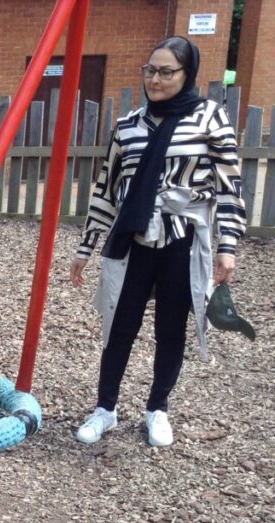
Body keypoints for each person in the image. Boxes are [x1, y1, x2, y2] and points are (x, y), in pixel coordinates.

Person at [70, 36, 246, 448]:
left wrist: (228, 244)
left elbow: (229, 186)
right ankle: (105, 409)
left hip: (182, 243)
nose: (155, 79)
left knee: (171, 329)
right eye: (150, 70)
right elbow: (107, 187)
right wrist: (86, 247)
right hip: (132, 240)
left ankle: (157, 410)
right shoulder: (129, 125)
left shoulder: (209, 118)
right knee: (119, 326)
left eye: (167, 72)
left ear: (187, 74)